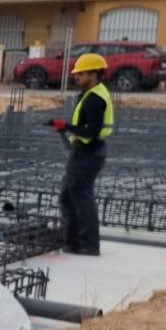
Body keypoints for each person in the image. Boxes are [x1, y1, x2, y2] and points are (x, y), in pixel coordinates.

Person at [49, 52, 114, 256]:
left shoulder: (95, 98)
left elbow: (92, 131)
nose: (76, 77)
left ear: (93, 74)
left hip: (89, 152)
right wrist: (64, 128)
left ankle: (87, 243)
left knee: (79, 196)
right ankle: (73, 241)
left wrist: (67, 126)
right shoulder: (91, 93)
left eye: (81, 74)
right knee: (69, 196)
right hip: (85, 151)